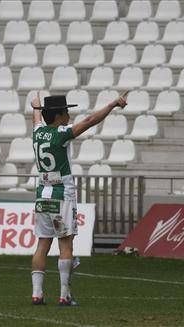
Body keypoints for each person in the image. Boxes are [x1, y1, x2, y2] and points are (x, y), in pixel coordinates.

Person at [30, 91, 128, 306]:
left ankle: (37, 293)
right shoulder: (61, 133)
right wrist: (112, 104)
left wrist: (36, 107)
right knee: (66, 245)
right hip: (61, 194)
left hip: (41, 194)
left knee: (42, 244)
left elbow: (37, 118)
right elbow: (90, 120)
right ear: (58, 116)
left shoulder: (37, 132)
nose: (68, 115)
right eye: (66, 112)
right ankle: (64, 295)